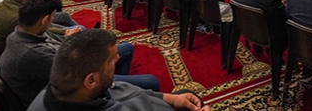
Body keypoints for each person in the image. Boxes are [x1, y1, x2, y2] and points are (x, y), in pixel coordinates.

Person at [0, 0, 159, 108]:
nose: (54, 20)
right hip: (68, 93)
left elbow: (62, 47)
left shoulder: (24, 31)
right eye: (53, 16)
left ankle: (113, 87)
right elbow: (77, 72)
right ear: (45, 19)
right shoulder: (34, 54)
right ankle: (112, 90)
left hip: (74, 71)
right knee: (151, 81)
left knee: (126, 48)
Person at [27, 28, 210, 111]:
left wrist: (171, 98)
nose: (117, 59)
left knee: (183, 94)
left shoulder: (60, 91)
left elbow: (118, 89)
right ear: (91, 80)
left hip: (146, 100)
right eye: (111, 59)